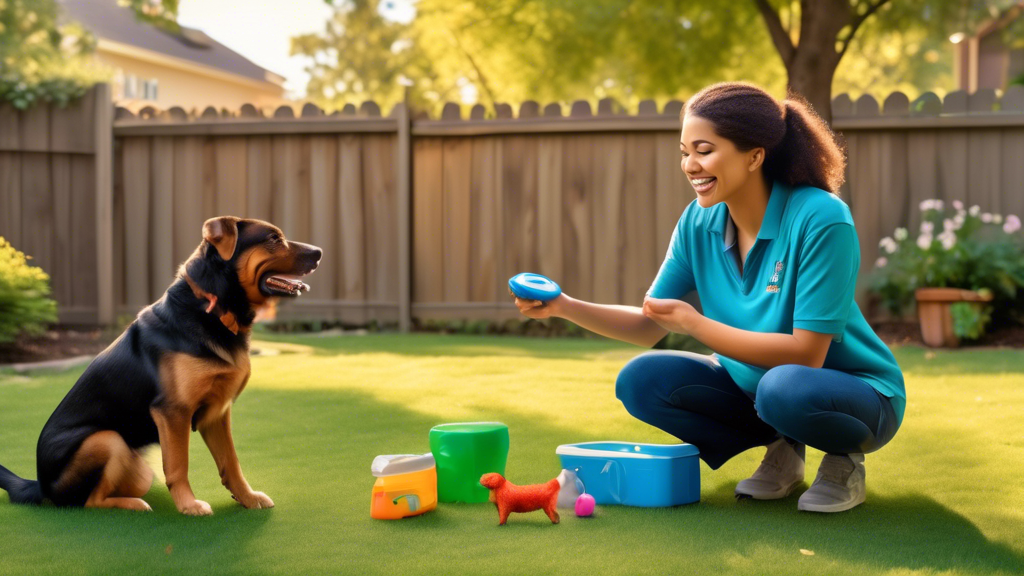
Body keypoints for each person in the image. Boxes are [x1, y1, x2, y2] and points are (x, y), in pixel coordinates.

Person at [513, 82, 905, 513]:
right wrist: (565, 306)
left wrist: (696, 325)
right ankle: (784, 449)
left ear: (755, 156)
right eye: (684, 151)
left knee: (783, 385)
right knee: (642, 380)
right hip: (764, 392)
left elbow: (807, 354)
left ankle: (842, 460)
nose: (689, 165)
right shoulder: (698, 222)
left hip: (859, 398)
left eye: (703, 150)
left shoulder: (821, 217)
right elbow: (648, 324)